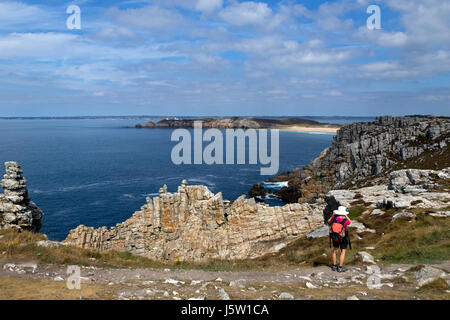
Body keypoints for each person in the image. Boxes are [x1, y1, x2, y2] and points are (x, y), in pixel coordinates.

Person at [328, 206, 351, 272]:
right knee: (343, 251)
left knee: (335, 251)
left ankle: (334, 266)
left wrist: (333, 215)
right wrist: (345, 215)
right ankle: (340, 267)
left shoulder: (334, 218)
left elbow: (329, 222)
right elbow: (349, 221)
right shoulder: (344, 220)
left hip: (335, 236)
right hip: (343, 237)